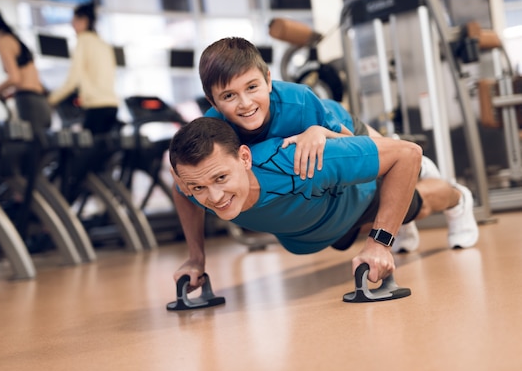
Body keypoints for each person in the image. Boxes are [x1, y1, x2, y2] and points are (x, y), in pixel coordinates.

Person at [172, 37, 464, 260]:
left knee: (381, 166)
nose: (245, 104)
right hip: (317, 191)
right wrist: (196, 257)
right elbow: (186, 180)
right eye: (229, 96)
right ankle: (401, 209)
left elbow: (350, 142)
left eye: (252, 88)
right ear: (212, 102)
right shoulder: (213, 131)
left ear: (269, 80)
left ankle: (421, 168)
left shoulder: (297, 102)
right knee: (350, 219)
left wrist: (318, 131)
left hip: (339, 126)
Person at [169, 117, 478, 289]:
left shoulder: (295, 161)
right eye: (198, 187)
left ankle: (457, 197)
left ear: (245, 158)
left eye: (221, 179)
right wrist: (196, 257)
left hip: (360, 198)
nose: (214, 197)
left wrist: (381, 243)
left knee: (418, 204)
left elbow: (407, 152)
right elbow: (180, 192)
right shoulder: (194, 182)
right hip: (324, 224)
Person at [0, 6, 51, 132]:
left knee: (34, 147)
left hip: (29, 102)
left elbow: (15, 78)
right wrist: (8, 94)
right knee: (43, 147)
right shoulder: (13, 39)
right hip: (41, 101)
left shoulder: (2, 41)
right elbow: (25, 78)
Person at [47, 2, 120, 135]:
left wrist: (51, 99)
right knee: (105, 150)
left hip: (96, 106)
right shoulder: (103, 44)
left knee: (89, 151)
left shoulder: (83, 41)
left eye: (74, 21)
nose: (72, 25)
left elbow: (73, 78)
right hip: (112, 104)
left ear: (84, 21)